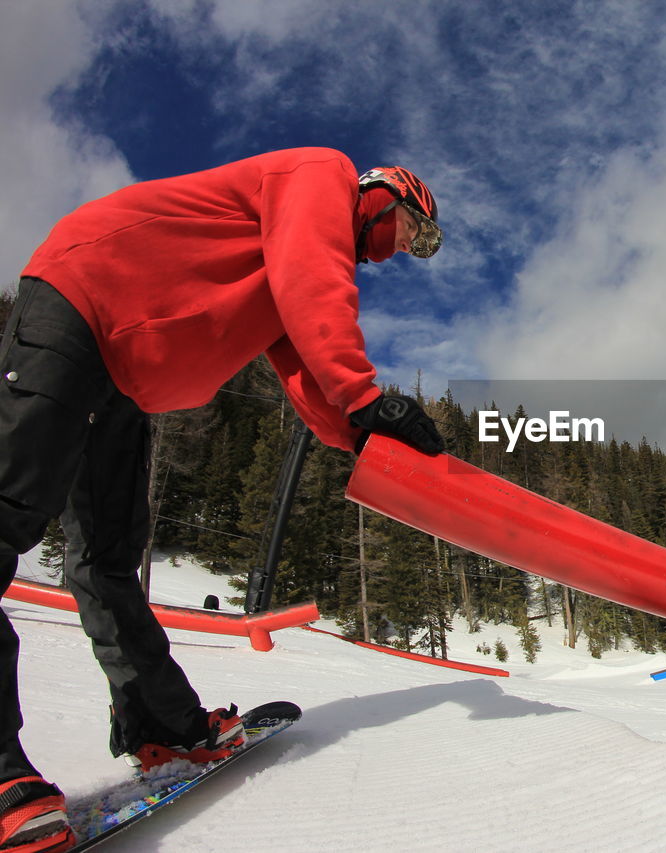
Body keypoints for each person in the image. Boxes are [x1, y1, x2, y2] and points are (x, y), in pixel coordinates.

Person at [0, 148, 446, 852]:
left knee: (109, 558)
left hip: (123, 376)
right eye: (416, 236)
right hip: (81, 297)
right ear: (390, 197)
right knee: (8, 512)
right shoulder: (322, 176)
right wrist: (366, 397)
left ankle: (162, 725)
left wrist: (367, 437)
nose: (403, 253)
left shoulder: (290, 258)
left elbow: (304, 367)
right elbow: (313, 283)